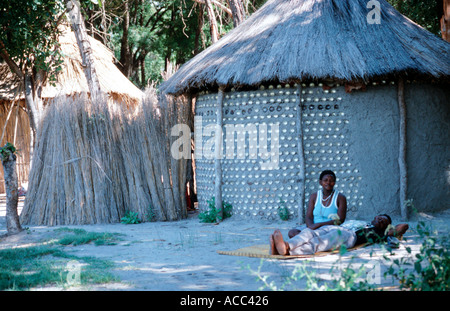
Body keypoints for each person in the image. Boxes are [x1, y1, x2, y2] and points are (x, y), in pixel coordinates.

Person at [270, 214, 409, 256]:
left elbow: (404, 226)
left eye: (384, 221)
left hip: (350, 237)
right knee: (309, 232)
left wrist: (389, 228)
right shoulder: (360, 220)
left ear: (386, 226)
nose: (380, 220)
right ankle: (286, 245)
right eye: (380, 217)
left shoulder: (380, 232)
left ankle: (288, 251)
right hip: (337, 227)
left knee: (320, 242)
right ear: (374, 217)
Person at [288, 170, 347, 238]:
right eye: (325, 180)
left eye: (331, 181)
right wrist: (311, 228)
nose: (328, 182)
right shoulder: (314, 196)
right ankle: (312, 239)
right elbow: (309, 216)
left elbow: (340, 220)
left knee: (329, 238)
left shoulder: (340, 197)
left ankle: (309, 240)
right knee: (292, 233)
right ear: (320, 182)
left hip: (330, 229)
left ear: (334, 183)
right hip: (314, 227)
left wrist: (319, 225)